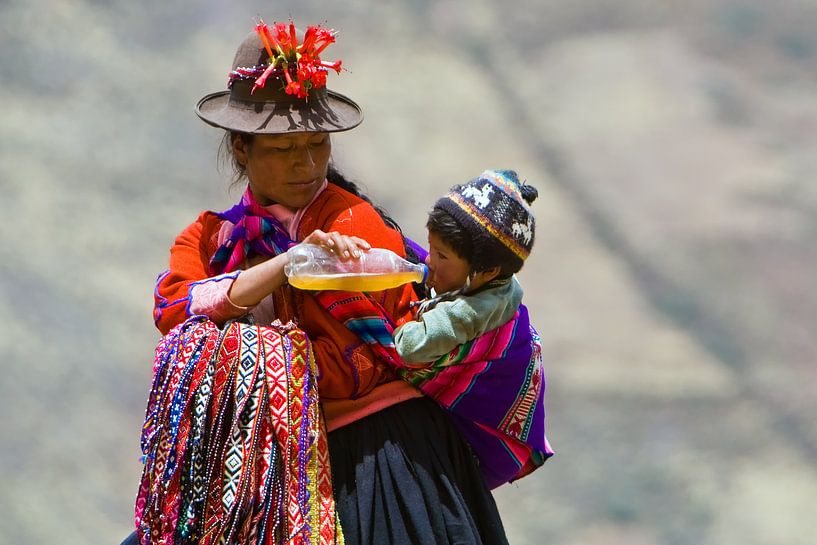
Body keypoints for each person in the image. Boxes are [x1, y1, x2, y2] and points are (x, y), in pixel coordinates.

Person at [122, 19, 510, 545]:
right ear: (241, 147)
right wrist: (284, 268)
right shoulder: (210, 238)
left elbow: (362, 363)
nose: (305, 165)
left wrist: (240, 361)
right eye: (283, 148)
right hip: (268, 474)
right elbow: (174, 315)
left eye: (318, 144)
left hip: (379, 458)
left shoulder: (354, 227)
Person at [393, 170, 553, 489]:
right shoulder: (498, 283)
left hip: (483, 447)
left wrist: (395, 315)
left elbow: (408, 348)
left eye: (441, 256)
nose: (429, 262)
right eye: (430, 248)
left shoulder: (468, 312)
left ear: (486, 270)